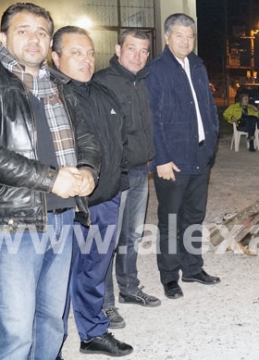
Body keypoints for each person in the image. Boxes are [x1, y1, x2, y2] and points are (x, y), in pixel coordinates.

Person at [0, 2, 101, 359]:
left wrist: (88, 171)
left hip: (63, 218)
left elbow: (88, 138)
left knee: (51, 322)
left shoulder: (60, 85)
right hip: (10, 225)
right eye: (23, 30)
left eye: (42, 32)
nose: (34, 38)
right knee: (15, 332)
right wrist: (50, 179)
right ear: (3, 36)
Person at [50, 26, 133, 357]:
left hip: (106, 199)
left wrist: (118, 182)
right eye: (75, 53)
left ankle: (93, 332)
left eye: (88, 53)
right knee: (56, 278)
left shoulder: (102, 93)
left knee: (94, 269)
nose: (85, 60)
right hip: (68, 205)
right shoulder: (48, 98)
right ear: (55, 57)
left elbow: (120, 141)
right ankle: (48, 343)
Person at [147, 13, 220, 300]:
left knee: (194, 216)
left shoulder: (198, 66)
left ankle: (192, 268)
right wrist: (161, 159)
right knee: (171, 220)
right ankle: (169, 276)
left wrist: (212, 142)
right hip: (172, 161)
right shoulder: (157, 70)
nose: (186, 41)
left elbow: (210, 108)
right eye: (179, 35)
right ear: (167, 38)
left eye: (190, 36)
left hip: (200, 156)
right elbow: (153, 118)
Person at [95, 29, 160, 328]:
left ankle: (130, 288)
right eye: (132, 49)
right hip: (113, 174)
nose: (138, 55)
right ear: (118, 49)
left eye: (144, 50)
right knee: (106, 240)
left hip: (139, 171)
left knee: (131, 236)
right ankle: (104, 303)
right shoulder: (102, 83)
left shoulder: (145, 82)